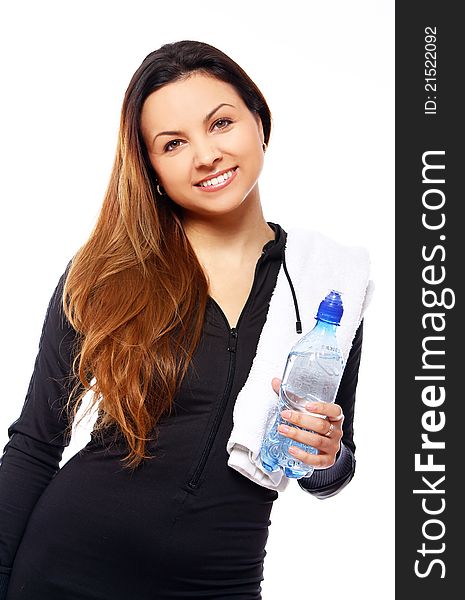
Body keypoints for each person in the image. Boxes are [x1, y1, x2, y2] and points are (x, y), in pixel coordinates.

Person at [0, 40, 369, 599]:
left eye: (220, 123)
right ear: (150, 166)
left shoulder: (328, 282)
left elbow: (328, 471)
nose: (206, 154)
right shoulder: (108, 272)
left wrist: (327, 453)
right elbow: (33, 444)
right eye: (173, 143)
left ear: (259, 121)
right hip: (65, 573)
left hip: (219, 583)